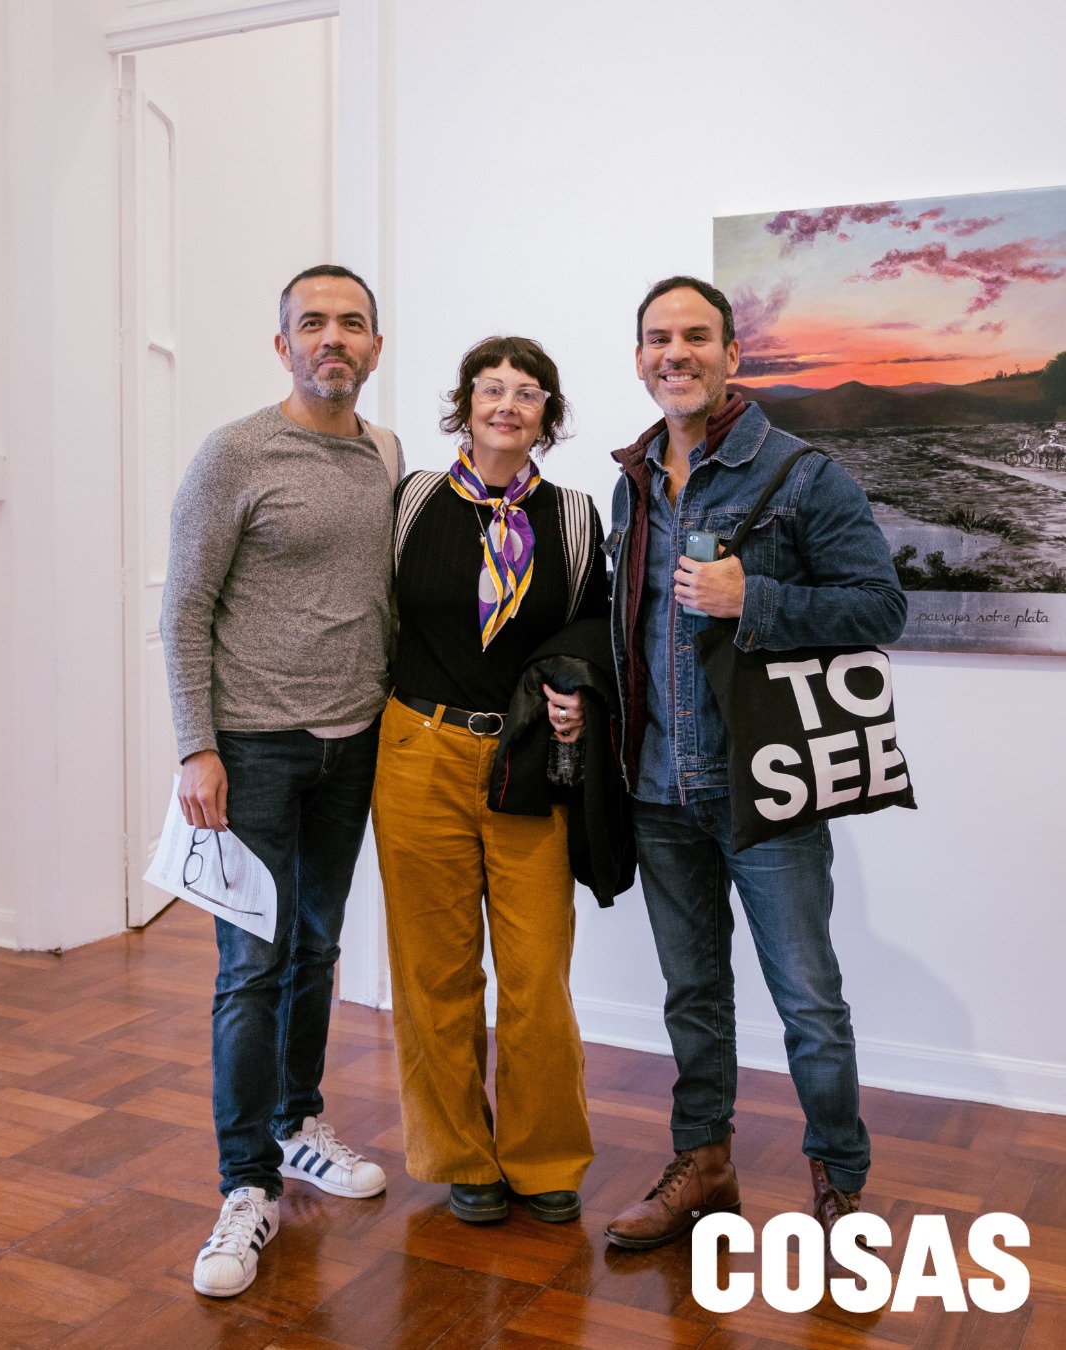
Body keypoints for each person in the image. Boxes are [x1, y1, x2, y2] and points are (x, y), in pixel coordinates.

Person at [603, 276, 907, 1265]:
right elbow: (632, 627)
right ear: (640, 356)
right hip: (654, 791)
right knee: (692, 996)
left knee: (808, 1001)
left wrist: (754, 597)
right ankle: (705, 1165)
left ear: (734, 355)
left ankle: (839, 1185)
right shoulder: (634, 476)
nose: (675, 353)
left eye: (697, 337)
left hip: (763, 789)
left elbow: (879, 608)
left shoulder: (803, 475)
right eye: (658, 339)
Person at [161, 264, 404, 1298]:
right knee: (249, 969)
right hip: (253, 748)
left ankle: (299, 1125)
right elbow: (182, 608)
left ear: (376, 348)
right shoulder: (234, 454)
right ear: (283, 347)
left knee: (316, 947)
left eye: (352, 324)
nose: (332, 339)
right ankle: (242, 1188)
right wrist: (194, 746)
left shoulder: (388, 453)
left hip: (355, 744)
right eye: (313, 323)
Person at [371, 336, 609, 1225]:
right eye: (491, 388)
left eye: (528, 392)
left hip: (524, 763)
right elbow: (380, 615)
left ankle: (545, 1156)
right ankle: (460, 1153)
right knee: (435, 971)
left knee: (536, 972)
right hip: (418, 751)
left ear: (549, 413)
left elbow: (593, 631)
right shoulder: (413, 500)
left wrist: (578, 699)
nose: (507, 404)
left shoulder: (578, 518)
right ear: (464, 403)